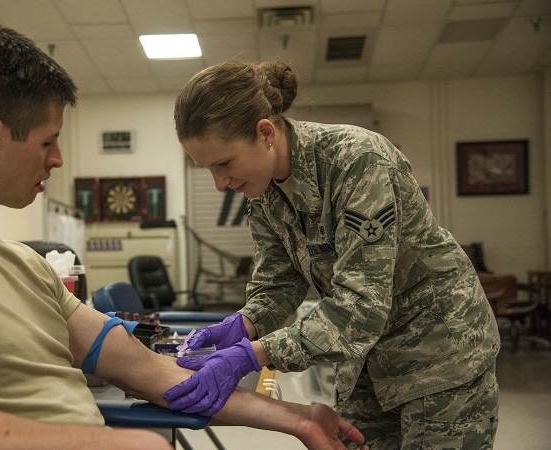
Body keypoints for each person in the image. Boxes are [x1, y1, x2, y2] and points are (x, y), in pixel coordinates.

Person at [0, 22, 368, 450]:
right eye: (48, 141)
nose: (59, 159)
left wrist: (300, 418)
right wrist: (115, 443)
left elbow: (148, 372)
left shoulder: (23, 265)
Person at [164, 60, 501, 449]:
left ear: (265, 132)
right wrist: (244, 324)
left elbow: (360, 308)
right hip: (369, 363)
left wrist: (251, 355)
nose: (220, 184)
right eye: (207, 169)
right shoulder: (263, 192)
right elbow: (278, 284)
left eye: (224, 164)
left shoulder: (358, 161)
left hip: (441, 353)